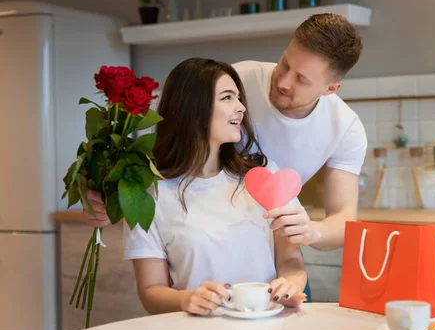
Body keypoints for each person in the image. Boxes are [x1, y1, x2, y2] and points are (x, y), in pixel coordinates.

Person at [86, 13, 367, 252]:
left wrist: (312, 231)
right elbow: (176, 145)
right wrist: (119, 199)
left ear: (331, 89)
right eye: (285, 63)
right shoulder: (235, 81)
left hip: (279, 256)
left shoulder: (345, 128)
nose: (282, 80)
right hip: (202, 244)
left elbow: (344, 218)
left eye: (301, 79)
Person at [123, 58, 307, 316]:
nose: (241, 107)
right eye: (227, 97)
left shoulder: (264, 176)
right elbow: (150, 290)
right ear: (192, 107)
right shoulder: (148, 194)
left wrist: (291, 284)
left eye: (239, 97)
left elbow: (290, 261)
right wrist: (187, 299)